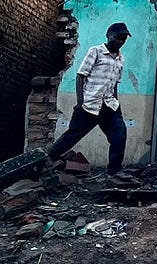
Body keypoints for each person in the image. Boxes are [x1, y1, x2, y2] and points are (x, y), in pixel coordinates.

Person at [48, 22, 131, 174]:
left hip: (110, 106)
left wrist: (117, 103)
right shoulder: (96, 51)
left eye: (124, 39)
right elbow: (81, 76)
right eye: (118, 38)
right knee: (72, 136)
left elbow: (115, 84)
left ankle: (114, 171)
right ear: (109, 36)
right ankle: (46, 161)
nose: (121, 41)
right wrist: (80, 102)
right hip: (90, 105)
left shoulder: (120, 59)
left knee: (119, 136)